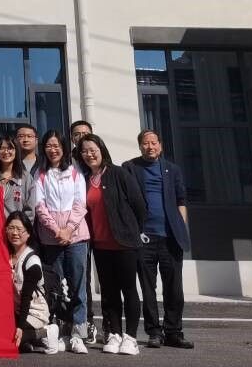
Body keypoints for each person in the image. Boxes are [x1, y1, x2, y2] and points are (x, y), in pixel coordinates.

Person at [122, 130, 193, 350]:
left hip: (170, 238)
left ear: (160, 146)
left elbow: (181, 200)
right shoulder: (130, 168)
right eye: (145, 143)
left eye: (154, 143)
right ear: (140, 146)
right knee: (148, 288)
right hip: (144, 239)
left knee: (174, 289)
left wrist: (181, 227)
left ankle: (174, 332)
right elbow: (125, 202)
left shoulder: (173, 169)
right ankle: (154, 332)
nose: (150, 147)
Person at [78, 135, 146, 356]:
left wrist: (133, 230)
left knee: (129, 290)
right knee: (109, 293)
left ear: (101, 149)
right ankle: (115, 333)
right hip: (101, 245)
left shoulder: (118, 173)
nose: (89, 154)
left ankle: (131, 337)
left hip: (124, 243)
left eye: (93, 149)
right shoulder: (85, 179)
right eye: (84, 151)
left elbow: (139, 205)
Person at [36, 129, 90, 354]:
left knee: (78, 286)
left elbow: (80, 204)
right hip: (51, 238)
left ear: (64, 148)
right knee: (56, 287)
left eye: (56, 145)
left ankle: (78, 334)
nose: (53, 150)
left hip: (76, 236)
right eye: (49, 145)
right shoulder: (40, 174)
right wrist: (57, 230)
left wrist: (68, 229)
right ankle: (59, 332)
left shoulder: (75, 171)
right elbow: (40, 206)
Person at [5, 211, 61, 355]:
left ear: (28, 233)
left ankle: (46, 332)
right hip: (16, 311)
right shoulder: (6, 255)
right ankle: (28, 342)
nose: (15, 233)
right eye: (11, 228)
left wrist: (20, 327)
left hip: (34, 312)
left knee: (8, 337)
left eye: (19, 229)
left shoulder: (32, 262)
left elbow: (26, 297)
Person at [68, 120, 96, 344]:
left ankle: (89, 321)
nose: (81, 137)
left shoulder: (95, 159)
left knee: (85, 278)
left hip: (95, 224)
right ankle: (71, 322)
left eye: (85, 133)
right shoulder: (67, 161)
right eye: (76, 134)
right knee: (75, 278)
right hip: (72, 226)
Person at [0, 134, 39, 218]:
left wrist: (21, 225)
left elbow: (30, 212)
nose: (6, 152)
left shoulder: (26, 178)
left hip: (17, 226)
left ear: (16, 151)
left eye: (10, 148)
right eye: (2, 148)